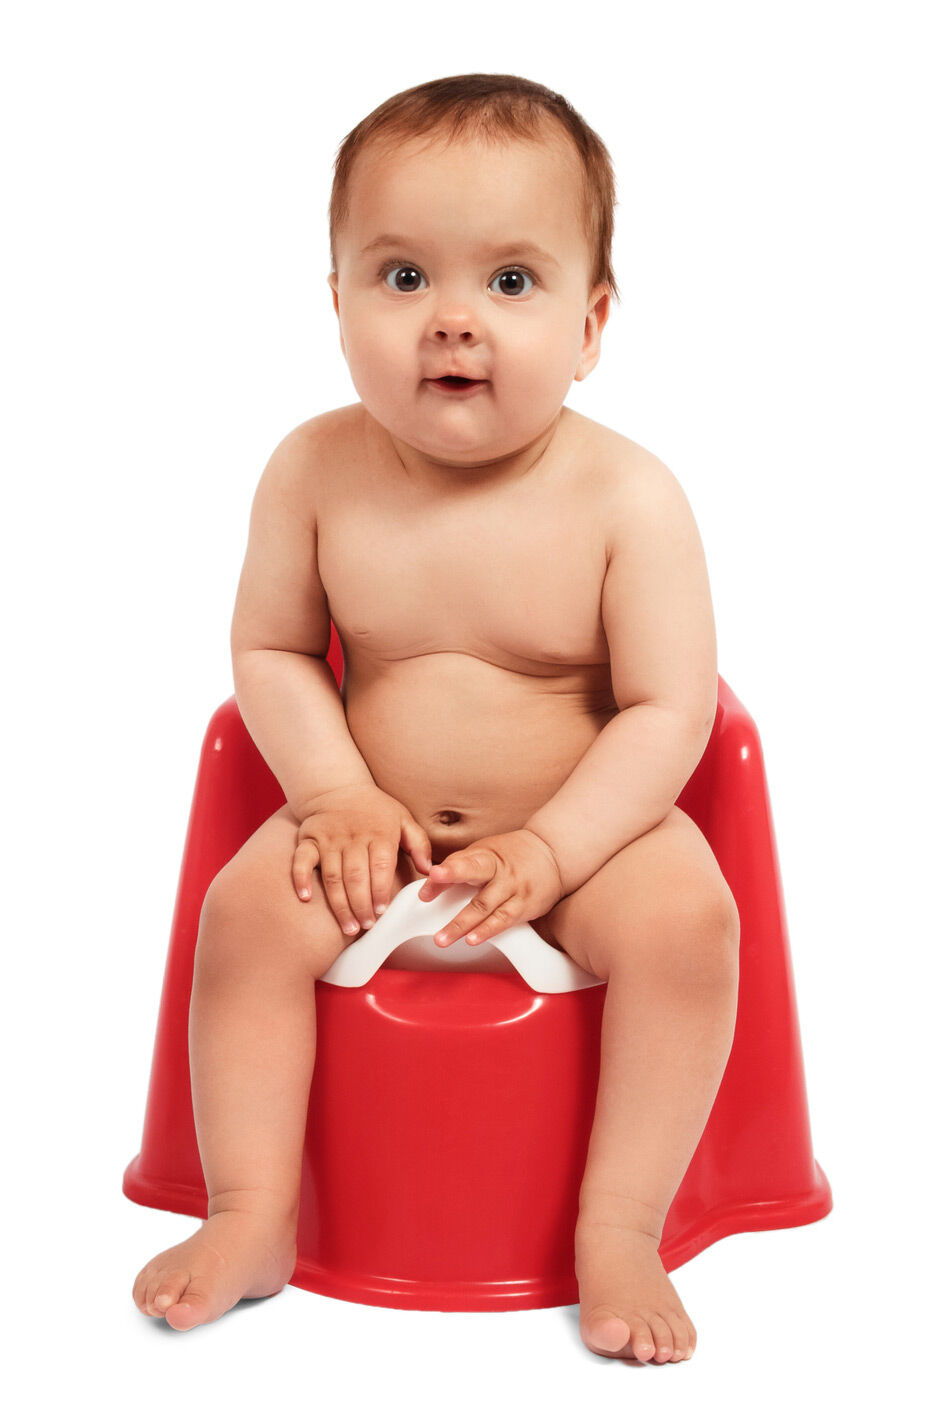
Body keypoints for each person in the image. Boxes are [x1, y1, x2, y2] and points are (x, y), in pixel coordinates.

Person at [132, 73, 740, 1364]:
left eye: (509, 284)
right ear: (336, 303)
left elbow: (668, 710)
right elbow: (273, 651)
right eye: (401, 277)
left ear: (590, 323)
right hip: (378, 838)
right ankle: (250, 1208)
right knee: (241, 915)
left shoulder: (628, 500)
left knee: (693, 918)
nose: (452, 321)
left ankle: (620, 1221)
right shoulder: (311, 471)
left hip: (580, 844)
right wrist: (337, 792)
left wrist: (559, 846)